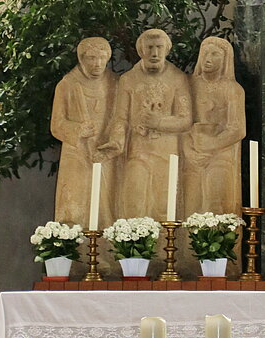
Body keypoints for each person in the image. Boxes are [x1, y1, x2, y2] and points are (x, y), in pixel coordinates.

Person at [104, 28, 192, 221]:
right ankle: (133, 239)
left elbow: (185, 119)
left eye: (159, 47)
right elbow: (120, 117)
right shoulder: (129, 80)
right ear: (141, 50)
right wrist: (116, 141)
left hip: (167, 154)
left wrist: (159, 122)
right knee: (134, 201)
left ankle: (166, 242)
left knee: (163, 205)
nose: (154, 53)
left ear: (167, 50)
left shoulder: (178, 79)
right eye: (150, 47)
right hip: (138, 151)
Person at [51, 36, 118, 227]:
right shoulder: (68, 85)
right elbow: (56, 124)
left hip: (105, 152)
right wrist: (77, 129)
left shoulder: (115, 83)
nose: (97, 63)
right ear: (82, 58)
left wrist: (112, 142)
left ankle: (105, 244)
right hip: (76, 154)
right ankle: (72, 242)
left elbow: (121, 118)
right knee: (74, 201)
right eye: (91, 58)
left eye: (102, 58)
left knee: (105, 204)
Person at [183, 36, 246, 216]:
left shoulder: (232, 89)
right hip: (193, 153)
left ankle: (221, 235)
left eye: (214, 54)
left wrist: (210, 145)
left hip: (221, 154)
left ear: (225, 60)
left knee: (216, 202)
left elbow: (237, 129)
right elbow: (182, 123)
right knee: (191, 204)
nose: (208, 58)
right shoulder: (189, 86)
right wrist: (190, 150)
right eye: (205, 53)